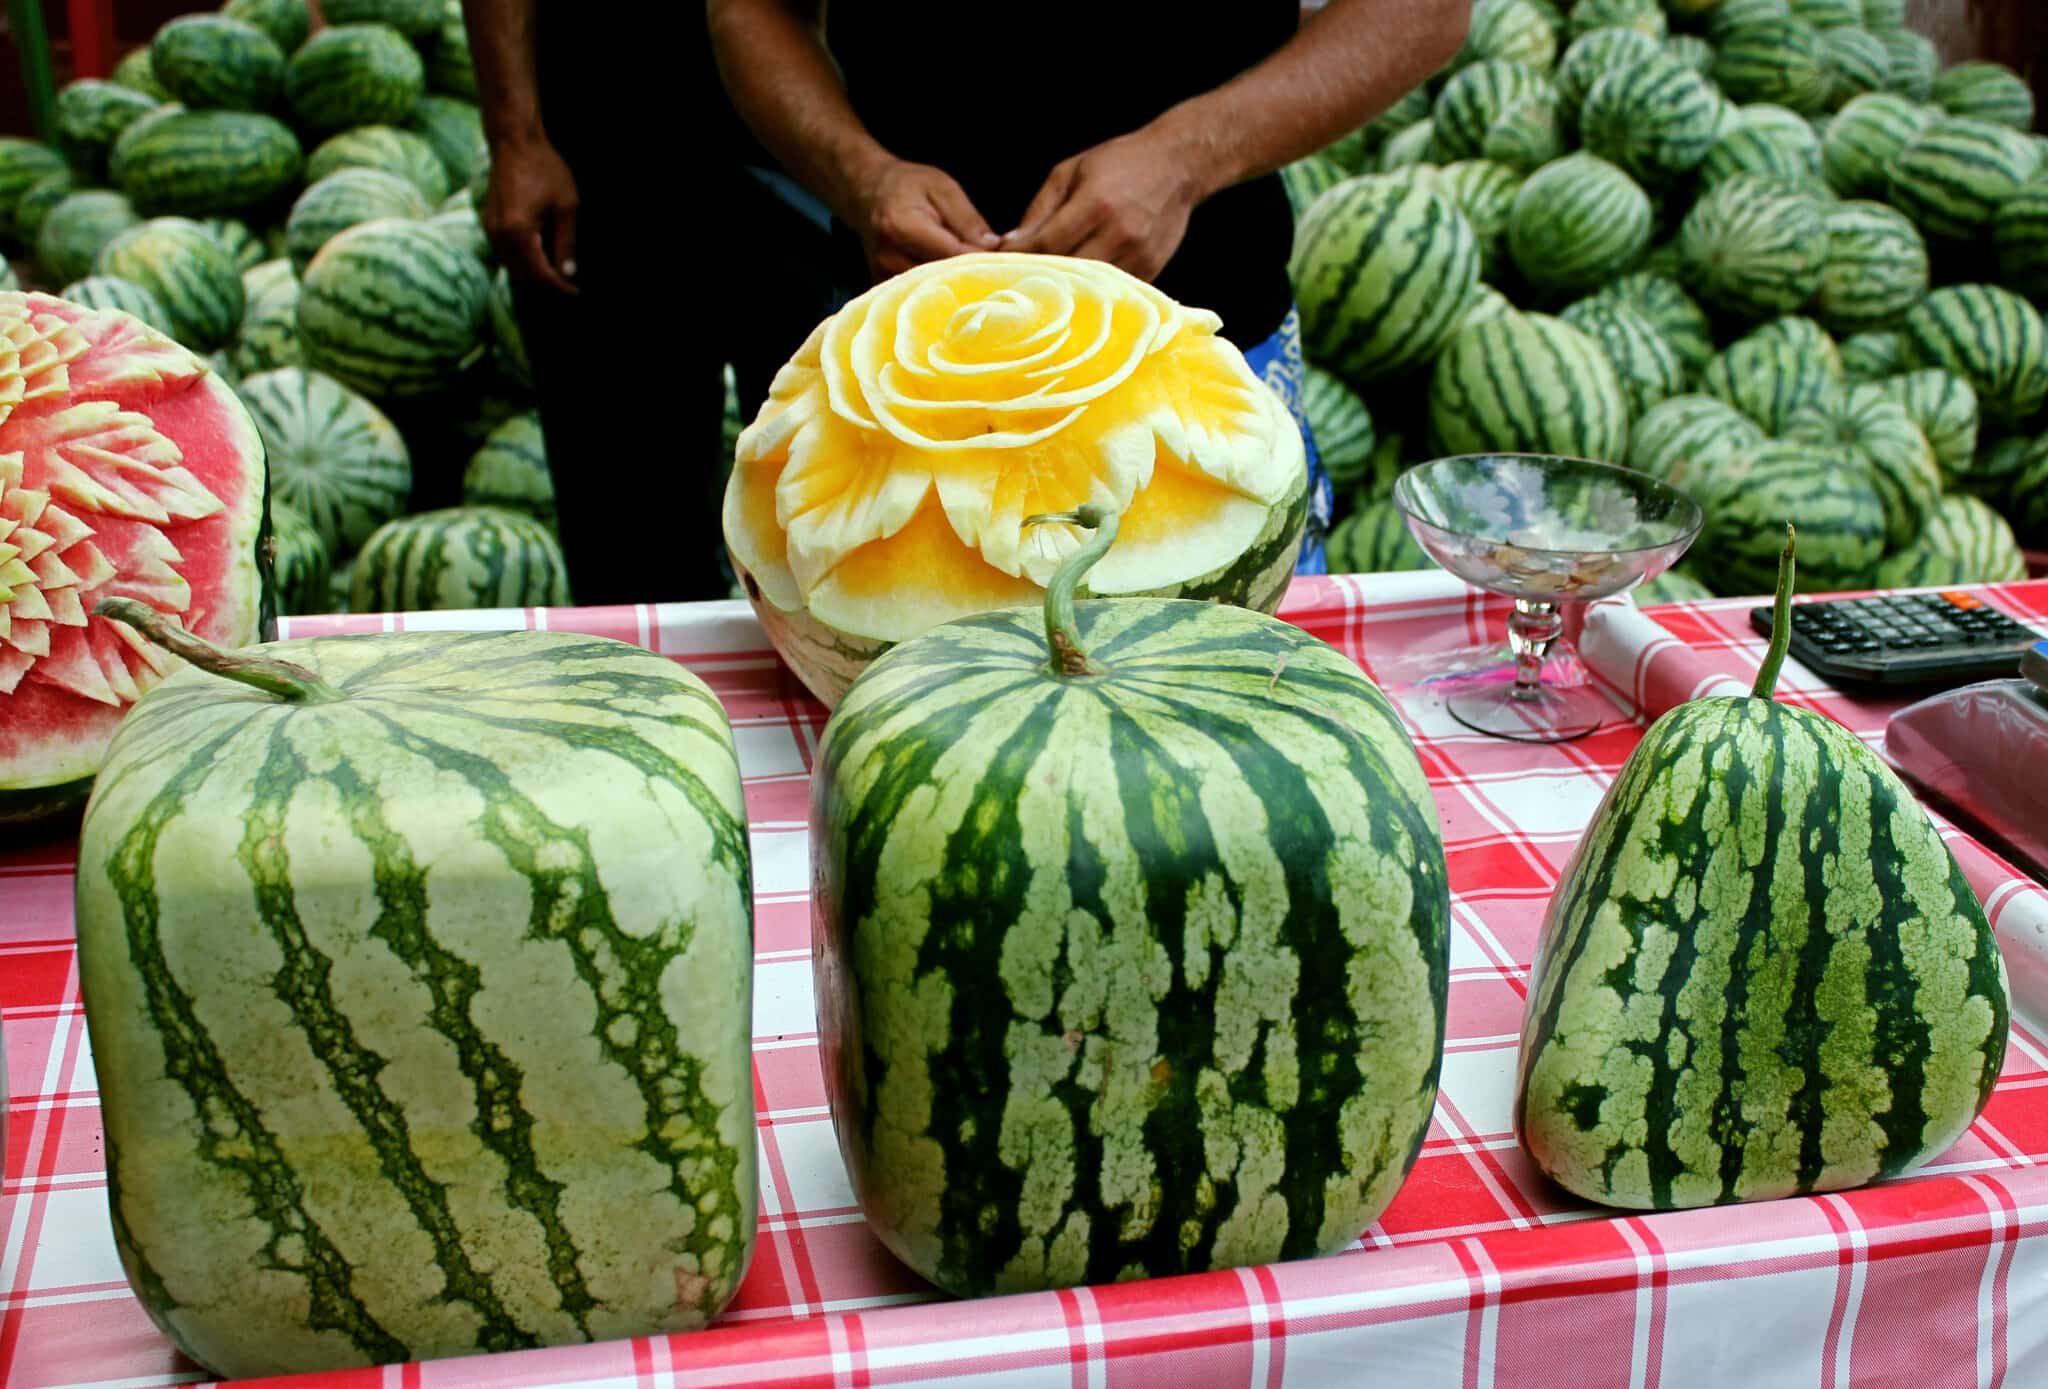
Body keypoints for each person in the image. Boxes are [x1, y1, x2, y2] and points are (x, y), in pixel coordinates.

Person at [706, 0, 1471, 573]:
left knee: (1218, 713)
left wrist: (1185, 159)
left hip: (1207, 354)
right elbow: (750, 7)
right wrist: (860, 176)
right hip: (897, 366)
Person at [462, 2, 837, 603]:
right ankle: (638, 683)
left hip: (805, 137)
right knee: (628, 515)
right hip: (603, 131)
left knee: (829, 492)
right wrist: (515, 136)